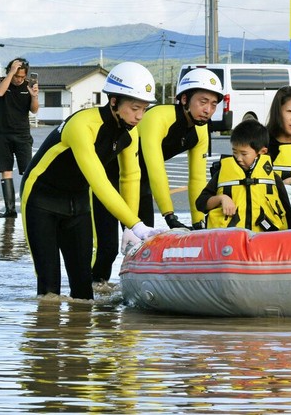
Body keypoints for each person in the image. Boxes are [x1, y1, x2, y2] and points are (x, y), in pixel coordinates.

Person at [20, 62, 163, 300]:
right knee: (49, 293)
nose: (140, 116)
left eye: (145, 109)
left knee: (84, 293)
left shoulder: (131, 131)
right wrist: (137, 224)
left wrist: (129, 227)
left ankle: (80, 336)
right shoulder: (82, 125)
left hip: (77, 202)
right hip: (40, 199)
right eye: (135, 108)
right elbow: (98, 180)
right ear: (114, 101)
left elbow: (130, 177)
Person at [90, 68, 223, 283]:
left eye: (214, 104)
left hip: (139, 185)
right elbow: (155, 167)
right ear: (185, 99)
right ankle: (92, 298)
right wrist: (170, 216)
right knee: (107, 249)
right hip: (109, 182)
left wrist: (199, 223)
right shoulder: (158, 117)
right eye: (203, 102)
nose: (208, 110)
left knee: (143, 247)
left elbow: (197, 179)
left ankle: (129, 298)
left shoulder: (200, 131)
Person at [196, 119, 291, 231]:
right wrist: (221, 198)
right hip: (230, 243)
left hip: (264, 242)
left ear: (262, 152)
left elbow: (288, 215)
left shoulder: (273, 179)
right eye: (235, 152)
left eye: (244, 153)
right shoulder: (223, 174)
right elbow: (200, 203)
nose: (238, 158)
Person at [0, 57, 39, 218]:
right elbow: (0, 92)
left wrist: (34, 96)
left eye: (21, 76)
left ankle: (30, 210)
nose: (19, 80)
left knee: (27, 172)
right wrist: (11, 73)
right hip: (3, 135)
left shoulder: (28, 86)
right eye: (16, 76)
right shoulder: (0, 81)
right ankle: (10, 210)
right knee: (5, 171)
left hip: (23, 135)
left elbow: (34, 110)